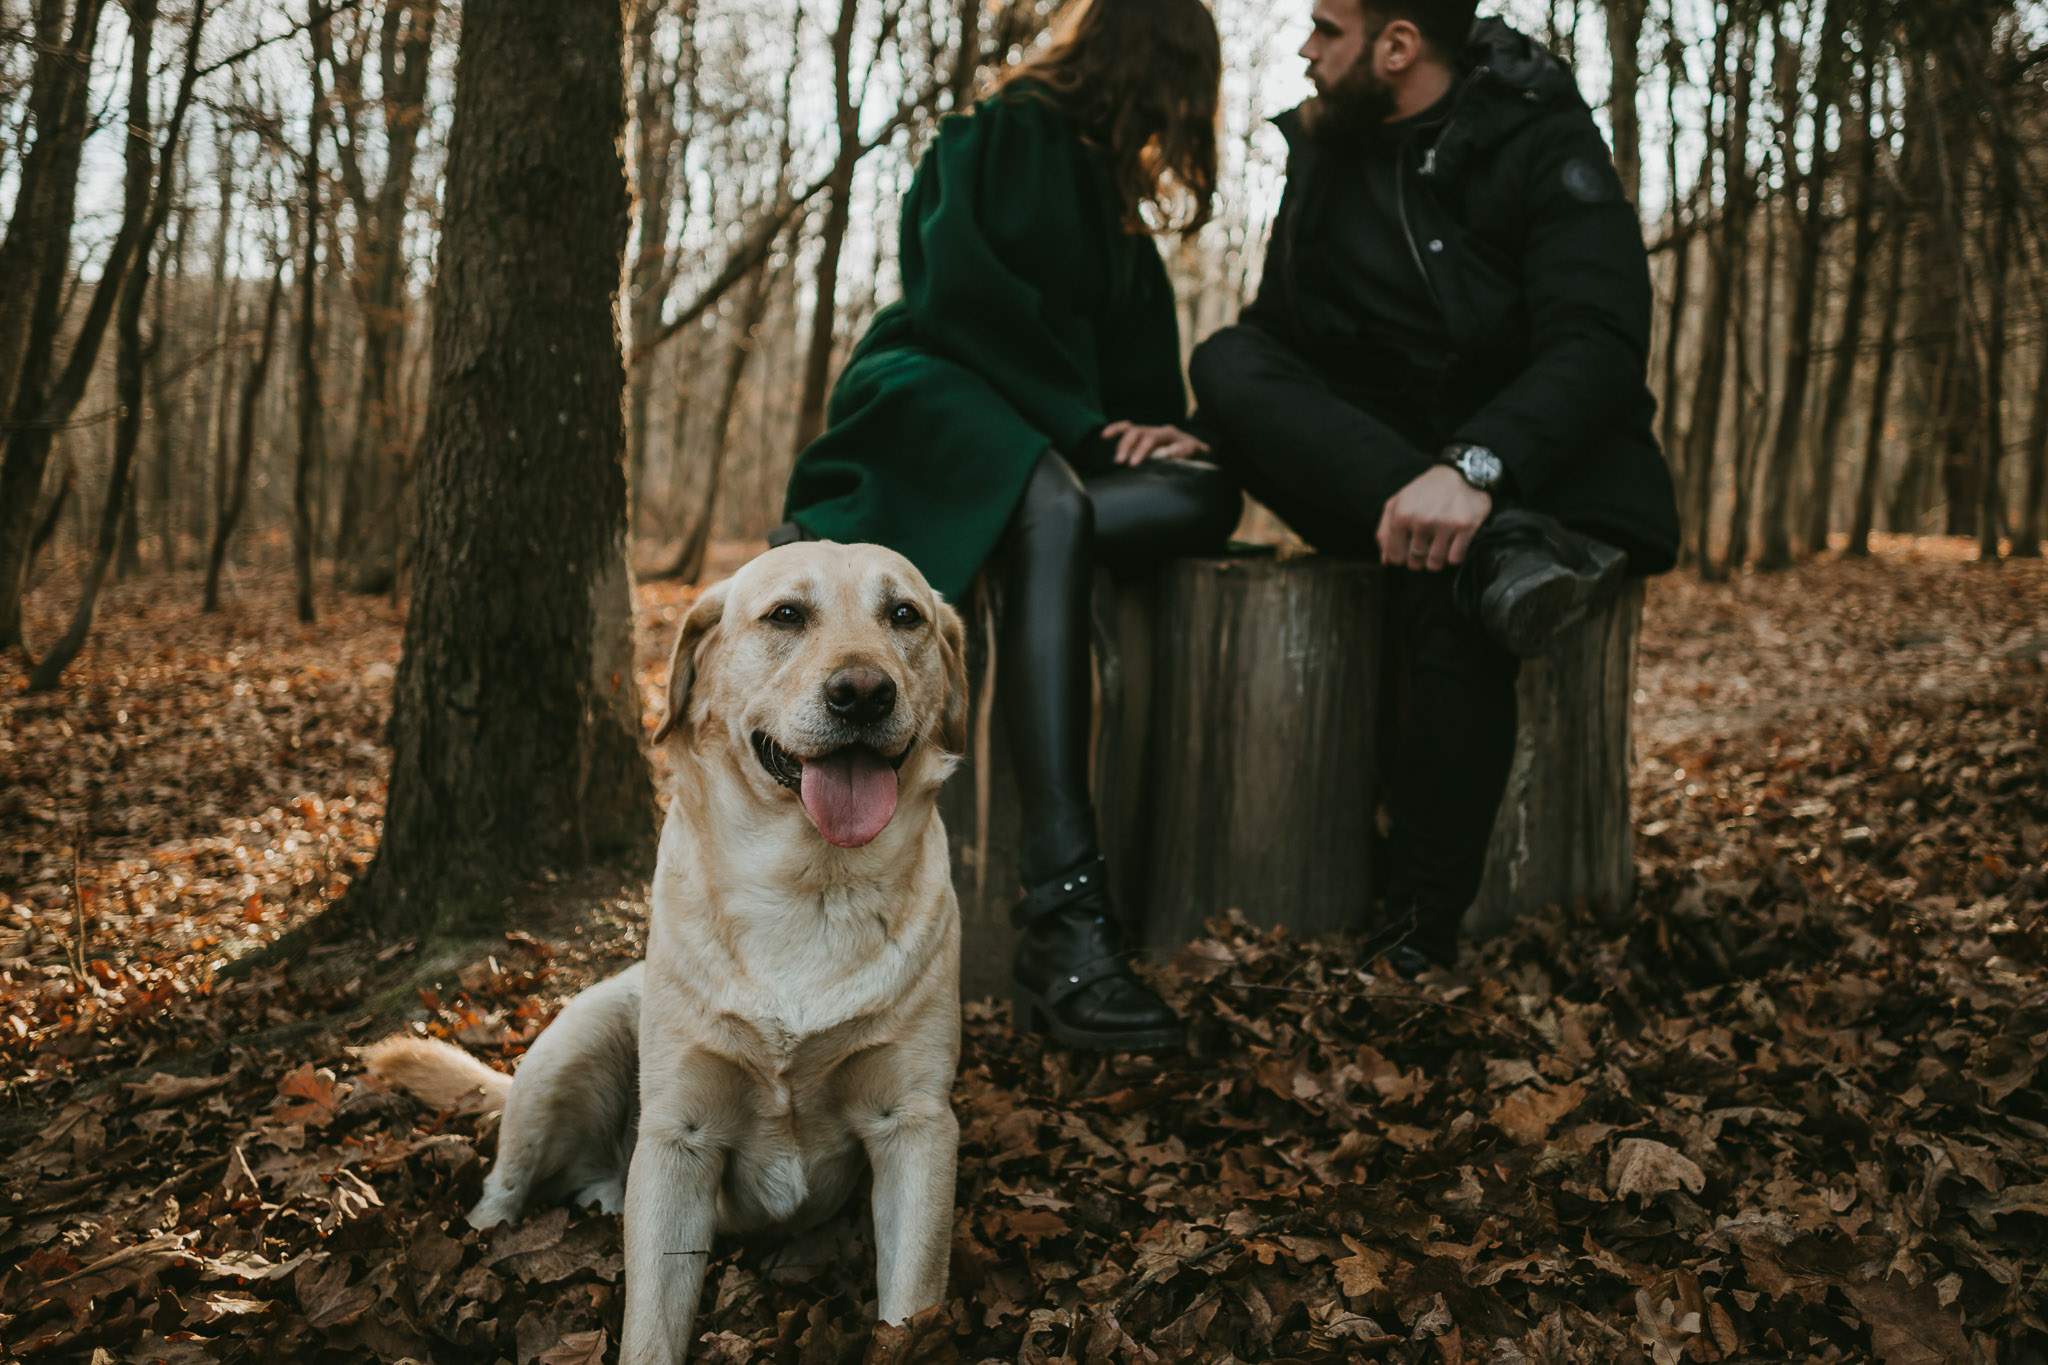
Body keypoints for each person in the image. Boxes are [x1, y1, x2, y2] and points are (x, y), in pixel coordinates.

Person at [777, 0, 1242, 1051]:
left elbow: (1135, 385)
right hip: (931, 393)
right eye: (1181, 92)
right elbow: (960, 301)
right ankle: (1063, 913)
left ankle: (1024, 531)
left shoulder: (1116, 214)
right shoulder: (1002, 130)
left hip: (1042, 444)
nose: (1181, 122)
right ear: (1151, 63)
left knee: (1201, 490)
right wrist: (1077, 429)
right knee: (1048, 497)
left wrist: (1157, 435)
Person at [1189, 0, 1681, 971]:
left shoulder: (1537, 135)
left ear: (1398, 44)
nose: (1304, 48)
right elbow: (1275, 336)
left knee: (1450, 592)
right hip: (1381, 471)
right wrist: (1204, 438)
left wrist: (1474, 470)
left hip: (1525, 467)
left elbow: (1598, 342)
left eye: (1326, 29)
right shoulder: (1324, 148)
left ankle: (1415, 936)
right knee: (1223, 357)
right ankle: (1490, 555)